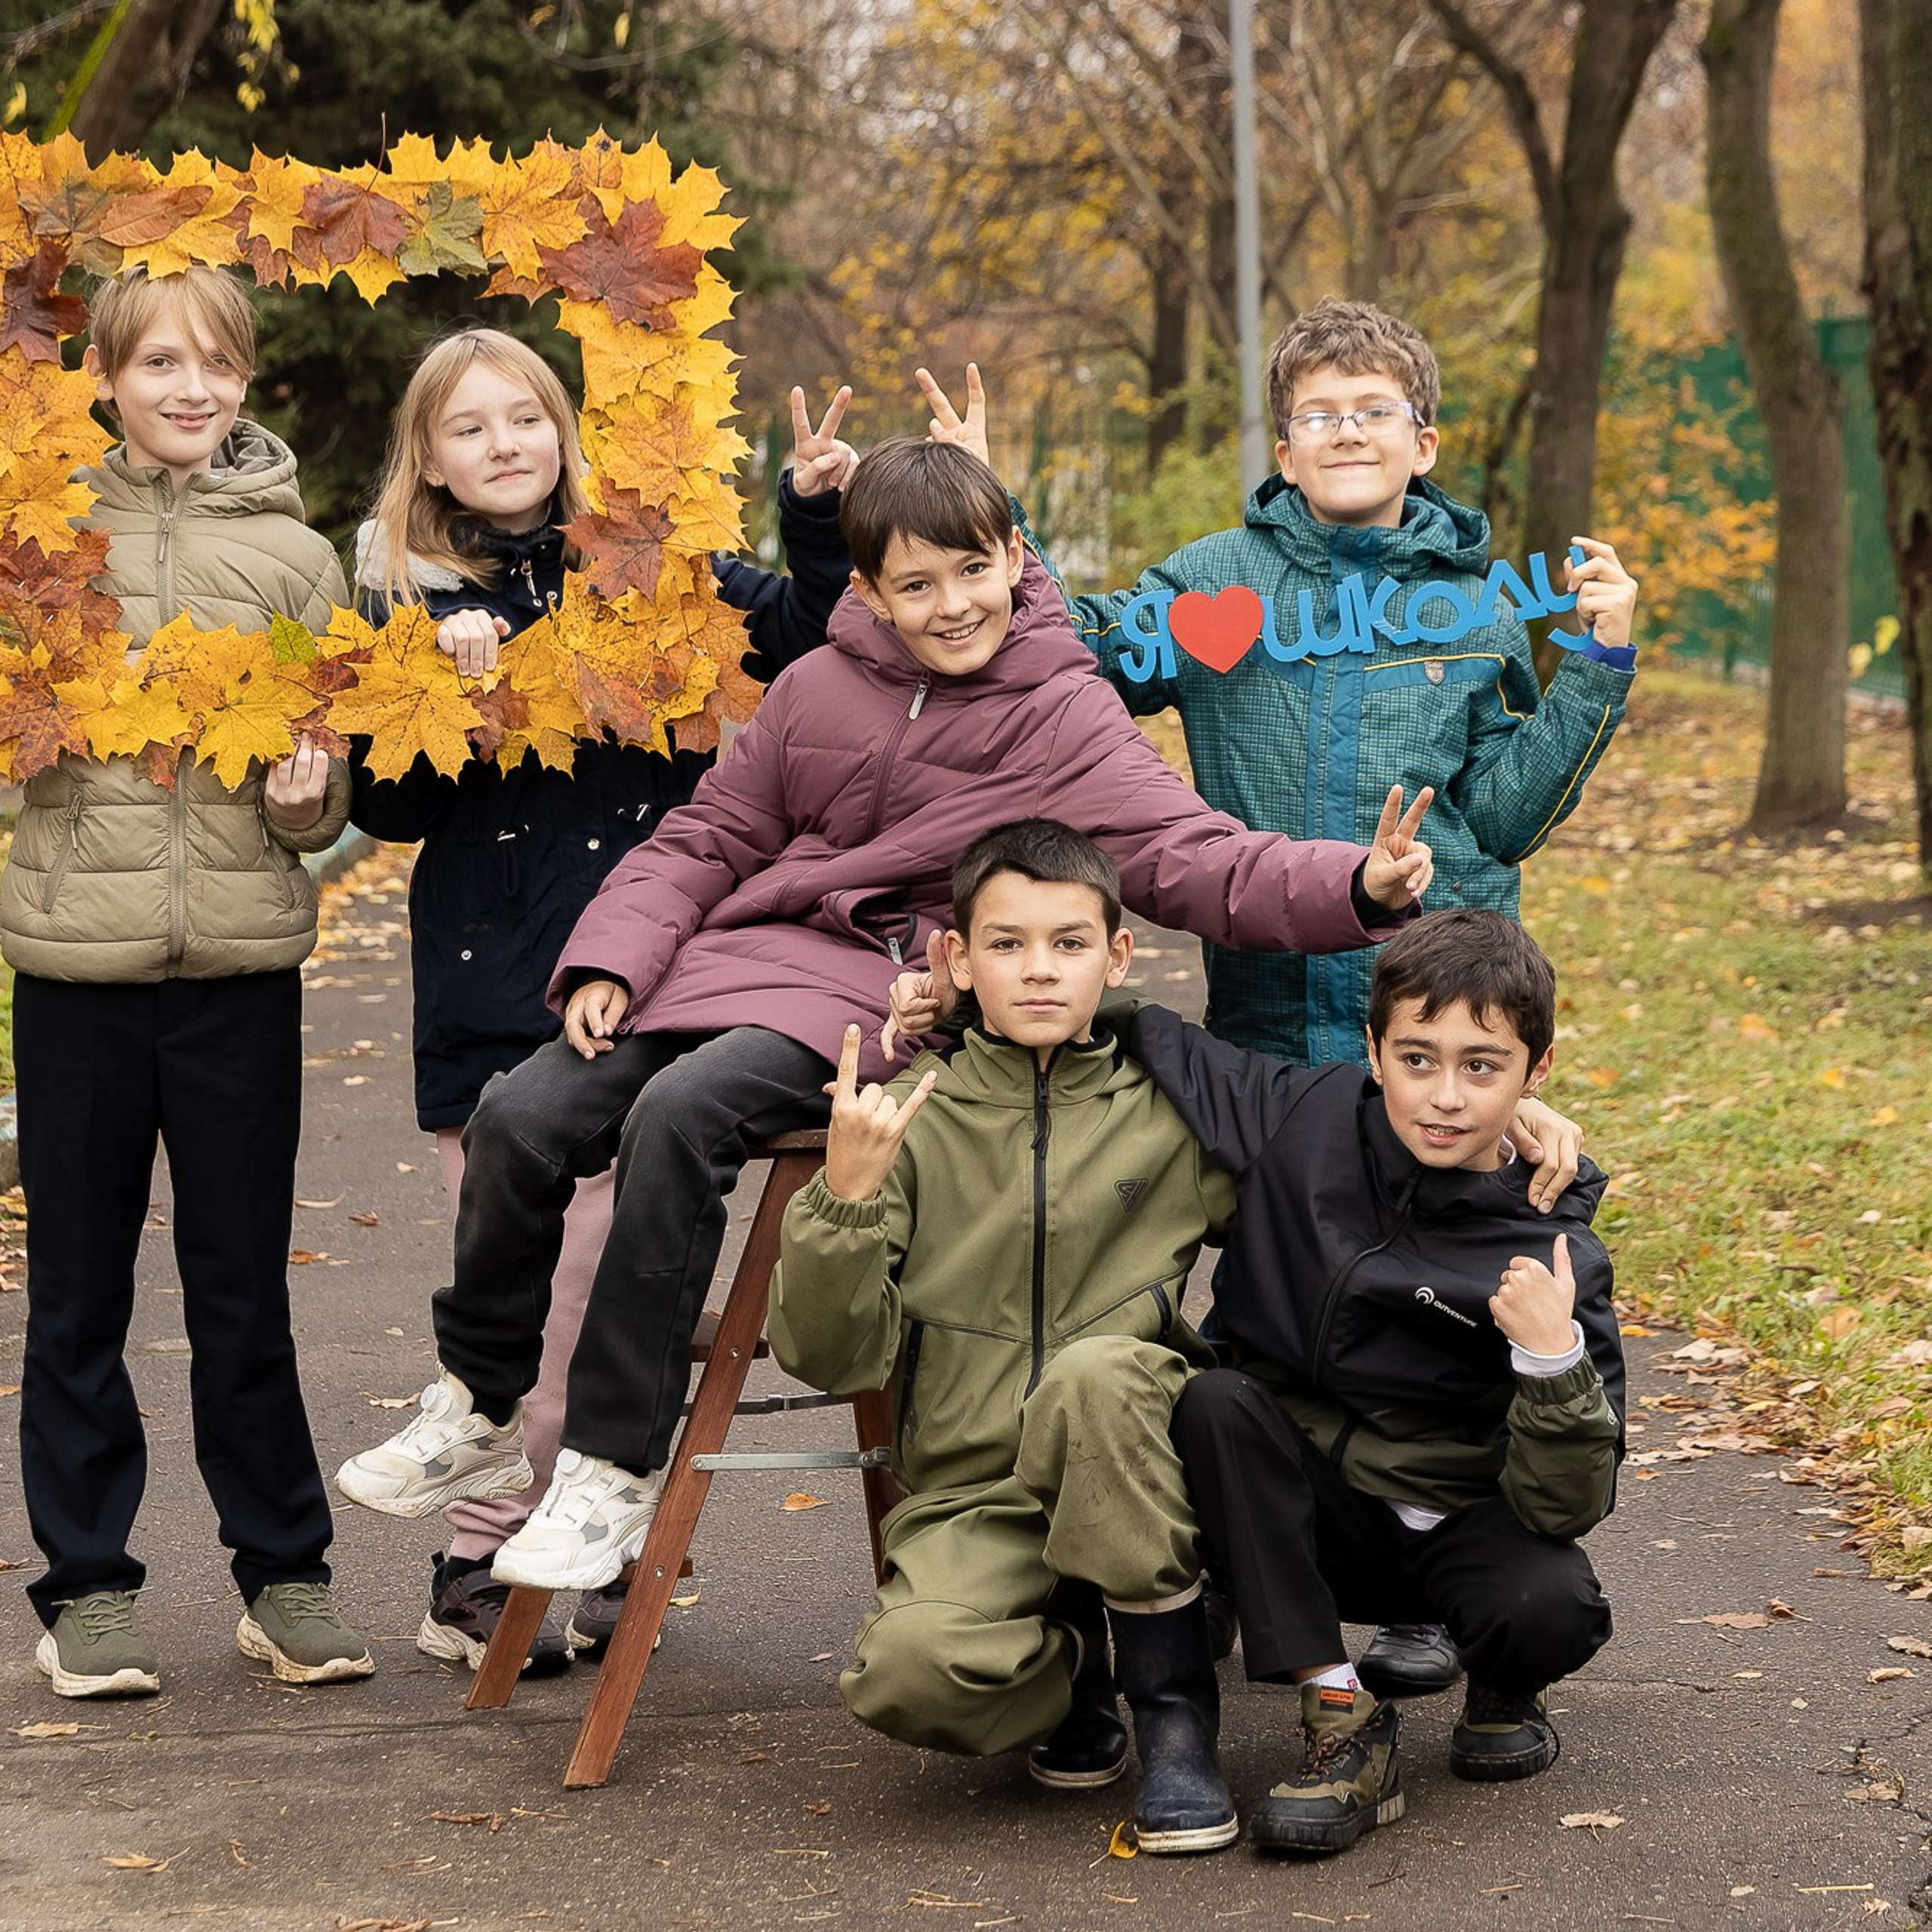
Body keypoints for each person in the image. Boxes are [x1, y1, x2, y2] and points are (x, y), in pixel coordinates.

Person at [336, 435, 1433, 1612]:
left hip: (879, 988)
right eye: (916, 584)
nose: (953, 605)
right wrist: (613, 957)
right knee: (521, 1110)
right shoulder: (815, 687)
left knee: (681, 1113)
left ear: (1015, 558)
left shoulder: (1062, 714)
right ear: (868, 591)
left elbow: (1190, 855)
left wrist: (1354, 887)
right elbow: (709, 838)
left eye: (972, 572)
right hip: (726, 963)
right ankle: (481, 1402)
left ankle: (611, 1465)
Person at [917, 300, 1639, 1697]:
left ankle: (1439, 1578)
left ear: (1422, 440)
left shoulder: (1482, 607)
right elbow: (1082, 657)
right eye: (1321, 412)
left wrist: (1593, 670)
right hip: (1267, 1023)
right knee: (1267, 1311)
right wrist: (991, 514)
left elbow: (1506, 808)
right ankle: (1248, 1562)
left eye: (1376, 411)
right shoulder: (1215, 582)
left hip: (1428, 1022)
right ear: (1284, 444)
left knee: (1445, 1306)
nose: (1349, 431)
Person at [347, 329, 859, 1675]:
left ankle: (576, 1545)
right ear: (429, 458)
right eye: (470, 428)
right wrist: (442, 687)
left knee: (610, 1281)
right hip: (491, 988)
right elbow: (386, 802)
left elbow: (807, 643)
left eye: (526, 417)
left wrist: (813, 518)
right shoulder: (413, 598)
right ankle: (480, 1555)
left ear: (565, 431)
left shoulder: (655, 573)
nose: (504, 444)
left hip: (650, 976)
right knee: (525, 1290)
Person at [1, 265, 371, 1697]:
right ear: (105, 378)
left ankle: (283, 1576)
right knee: (77, 1291)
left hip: (238, 967)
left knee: (237, 1285)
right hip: (74, 965)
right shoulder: (42, 543)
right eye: (160, 363)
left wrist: (303, 789)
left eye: (215, 363)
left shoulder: (299, 561)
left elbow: (316, 809)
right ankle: (87, 1586)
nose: (190, 388)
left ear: (247, 381)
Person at [768, 820, 1242, 1853]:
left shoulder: (1176, 1110)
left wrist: (1509, 1122)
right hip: (979, 1489)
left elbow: (1343, 1167)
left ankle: (1174, 1716)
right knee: (903, 1675)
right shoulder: (906, 1123)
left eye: (1070, 944)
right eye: (1007, 944)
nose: (1038, 970)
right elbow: (825, 1357)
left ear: (1117, 958)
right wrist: (843, 1200)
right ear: (956, 960)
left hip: (1146, 1474)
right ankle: (1080, 1662)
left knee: (1098, 1372)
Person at [1123, 908, 1623, 1857]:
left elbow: (1571, 1503)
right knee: (1214, 1399)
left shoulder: (1556, 1254)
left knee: (1551, 1605)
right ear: (1373, 1050)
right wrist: (958, 999)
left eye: (1482, 1066)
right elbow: (1154, 1037)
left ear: (1536, 1074)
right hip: (1309, 1512)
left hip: (1459, 1526)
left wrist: (1552, 1361)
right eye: (1416, 1058)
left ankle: (1503, 1680)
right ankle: (1342, 1715)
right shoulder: (1304, 1116)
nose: (1443, 1095)